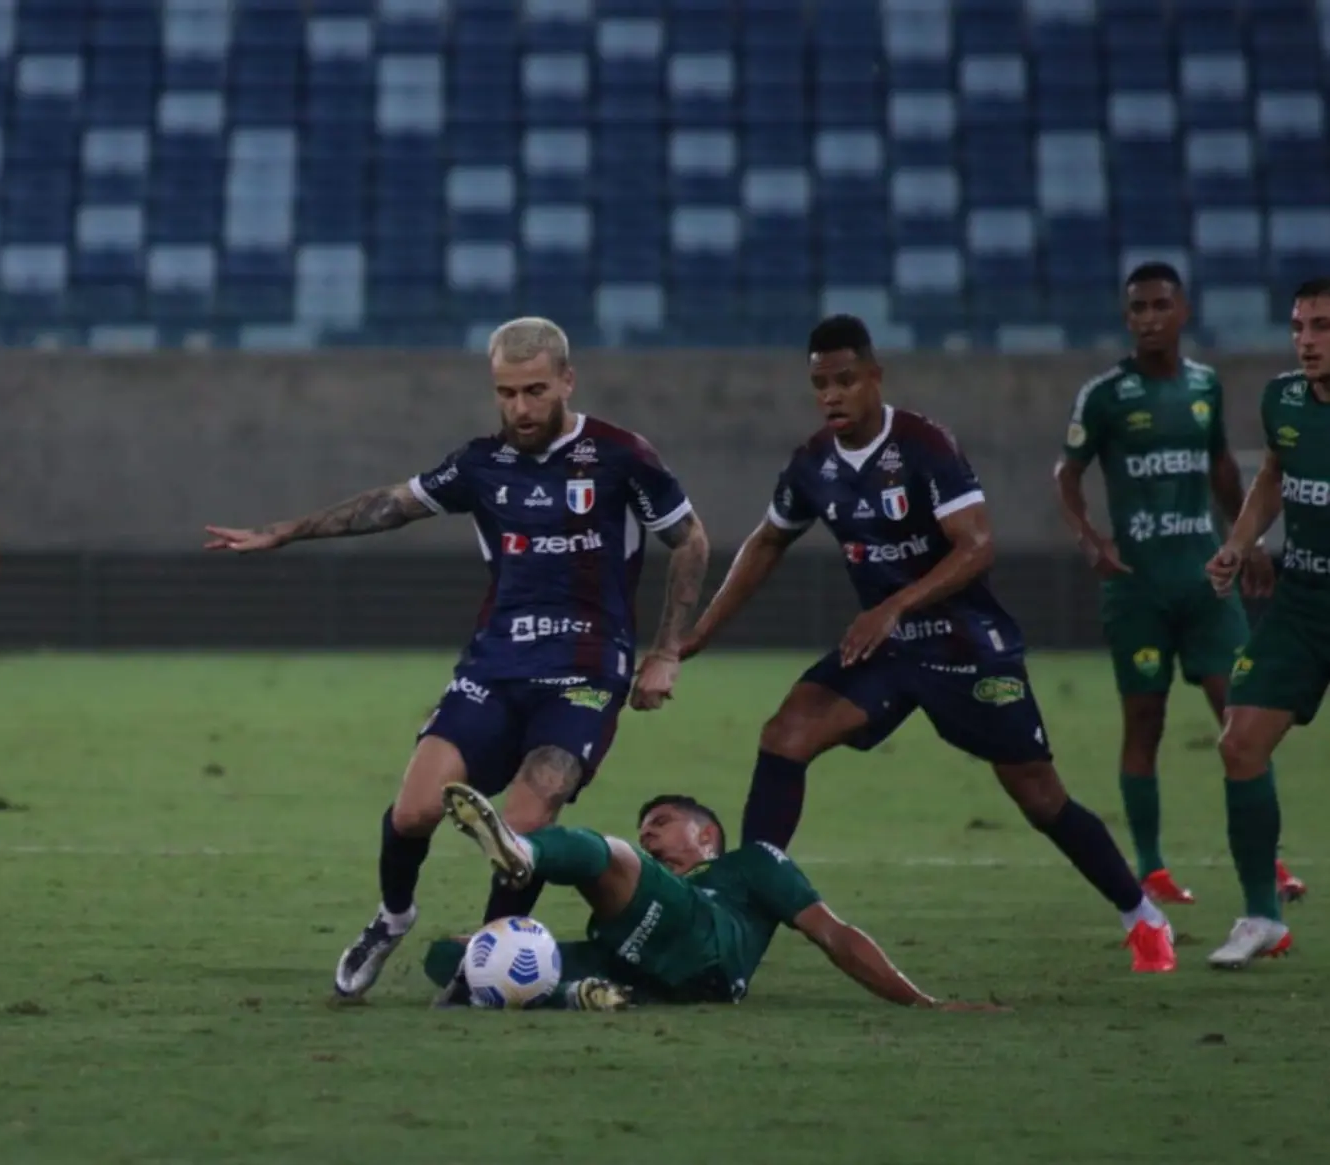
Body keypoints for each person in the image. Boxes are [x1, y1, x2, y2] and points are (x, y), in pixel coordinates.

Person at [204, 317, 710, 999]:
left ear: (567, 380)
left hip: (585, 673)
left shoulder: (621, 456)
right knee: (414, 811)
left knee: (525, 826)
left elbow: (690, 539)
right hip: (494, 668)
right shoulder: (479, 464)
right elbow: (391, 505)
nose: (520, 408)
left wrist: (666, 651)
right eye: (506, 392)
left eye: (534, 391)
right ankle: (392, 917)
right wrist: (283, 532)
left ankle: (485, 959)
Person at [677, 313, 1176, 973]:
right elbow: (767, 541)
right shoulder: (812, 463)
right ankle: (747, 911)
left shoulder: (923, 444)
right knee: (784, 736)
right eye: (820, 384)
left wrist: (892, 606)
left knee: (1038, 795)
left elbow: (977, 546)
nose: (831, 395)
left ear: (874, 377)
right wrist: (701, 631)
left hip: (966, 645)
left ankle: (1140, 913)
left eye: (845, 380)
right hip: (888, 651)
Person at [1054, 262, 1305, 907]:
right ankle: (1152, 867)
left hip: (1206, 585)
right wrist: (1090, 539)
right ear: (1126, 318)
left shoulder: (1204, 385)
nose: (1148, 318)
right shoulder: (1104, 395)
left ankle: (1268, 862)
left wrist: (1246, 542)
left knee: (1243, 716)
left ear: (1183, 311)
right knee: (1145, 722)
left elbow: (1221, 466)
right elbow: (1067, 473)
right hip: (1137, 588)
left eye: (1160, 305)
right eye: (1137, 308)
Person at [426, 783, 1004, 1011]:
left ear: (706, 835)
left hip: (703, 941)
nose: (651, 835)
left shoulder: (749, 866)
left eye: (662, 823)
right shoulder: (653, 887)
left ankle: (524, 852)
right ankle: (581, 996)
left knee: (614, 855)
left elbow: (833, 934)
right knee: (453, 956)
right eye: (647, 828)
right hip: (635, 964)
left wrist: (920, 1002)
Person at [1205, 277, 1330, 967]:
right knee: (1240, 743)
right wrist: (1239, 542)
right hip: (1302, 601)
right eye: (1298, 327)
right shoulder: (1282, 400)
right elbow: (1274, 476)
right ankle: (1262, 917)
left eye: (1322, 327)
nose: (1306, 342)